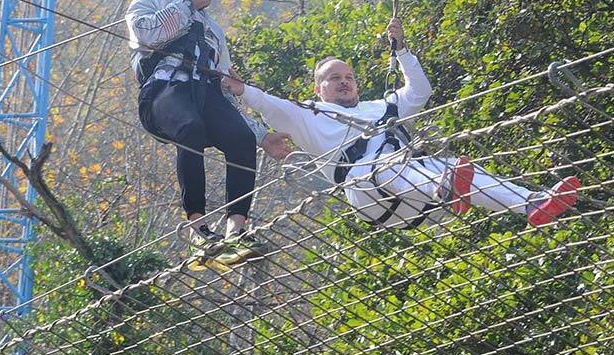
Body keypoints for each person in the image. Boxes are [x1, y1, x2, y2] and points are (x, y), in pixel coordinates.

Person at [223, 17, 580, 228]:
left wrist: (402, 51)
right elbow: (263, 101)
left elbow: (419, 91)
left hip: (419, 200)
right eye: (334, 78)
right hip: (367, 193)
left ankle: (531, 203)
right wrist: (239, 89)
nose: (344, 81)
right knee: (395, 166)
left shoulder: (382, 107)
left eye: (348, 76)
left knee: (453, 166)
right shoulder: (306, 115)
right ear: (319, 88)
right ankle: (444, 185)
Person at [126, 0, 291, 270]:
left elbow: (225, 87)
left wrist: (259, 134)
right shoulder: (148, 3)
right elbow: (145, 36)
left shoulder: (214, 31)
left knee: (240, 138)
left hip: (206, 94)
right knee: (190, 128)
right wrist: (187, 6)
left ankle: (236, 232)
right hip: (165, 91)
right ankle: (198, 228)